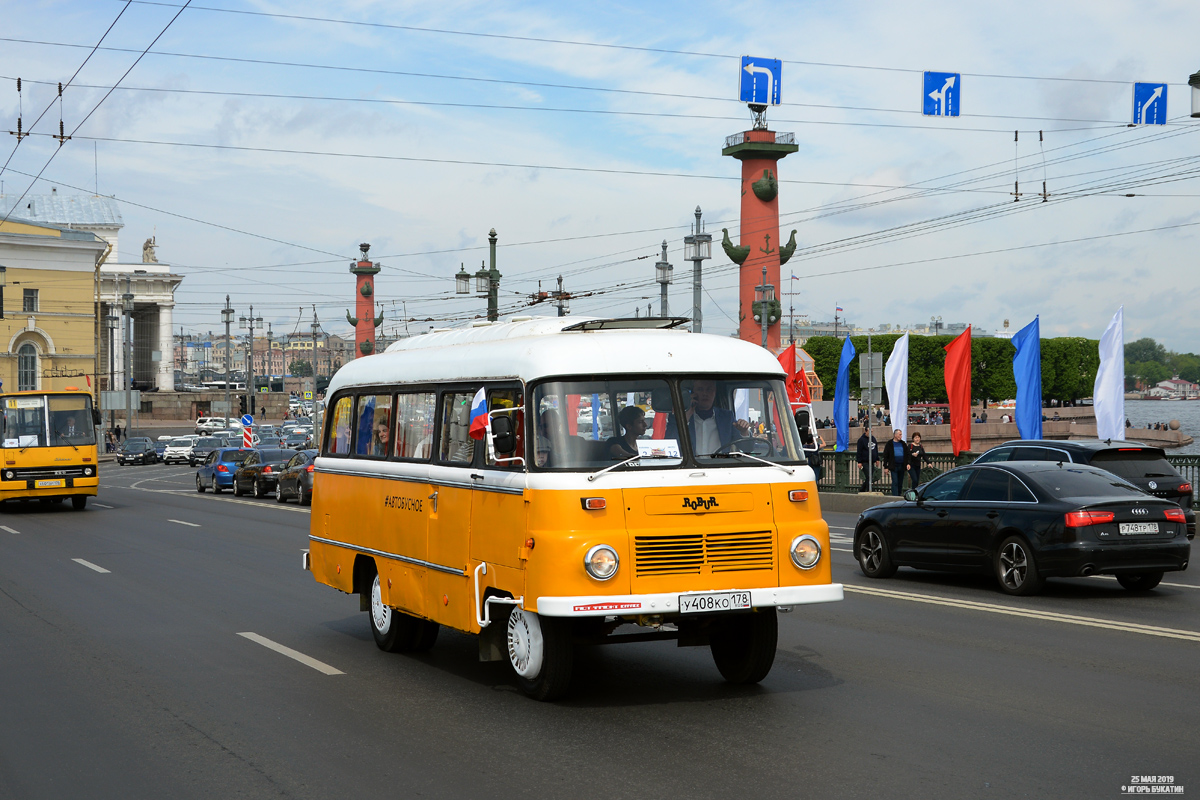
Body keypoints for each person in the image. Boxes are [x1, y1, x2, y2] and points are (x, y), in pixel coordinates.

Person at [666, 379, 750, 455]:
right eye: (700, 389)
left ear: (715, 392)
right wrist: (685, 418)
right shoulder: (679, 417)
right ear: (693, 393)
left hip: (718, 467)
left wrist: (744, 432)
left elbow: (747, 448)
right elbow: (669, 445)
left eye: (709, 389)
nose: (705, 393)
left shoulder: (726, 417)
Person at [795, 409, 824, 482]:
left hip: (809, 462)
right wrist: (820, 438)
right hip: (816, 461)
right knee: (816, 476)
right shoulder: (815, 446)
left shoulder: (804, 447)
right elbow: (824, 444)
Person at [881, 429, 910, 496]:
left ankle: (899, 494)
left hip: (902, 465)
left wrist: (908, 463)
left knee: (900, 482)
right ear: (895, 435)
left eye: (901, 434)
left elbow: (907, 454)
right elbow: (885, 455)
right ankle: (895, 495)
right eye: (900, 434)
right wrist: (886, 466)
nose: (901, 436)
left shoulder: (903, 443)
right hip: (893, 466)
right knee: (895, 481)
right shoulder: (889, 444)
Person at [856, 426, 880, 491]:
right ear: (865, 431)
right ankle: (867, 489)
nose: (871, 433)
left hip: (872, 461)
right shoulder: (861, 440)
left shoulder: (873, 439)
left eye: (871, 432)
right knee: (868, 476)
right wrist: (859, 461)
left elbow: (876, 449)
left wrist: (877, 459)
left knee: (870, 477)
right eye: (869, 431)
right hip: (865, 461)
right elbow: (859, 451)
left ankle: (862, 489)